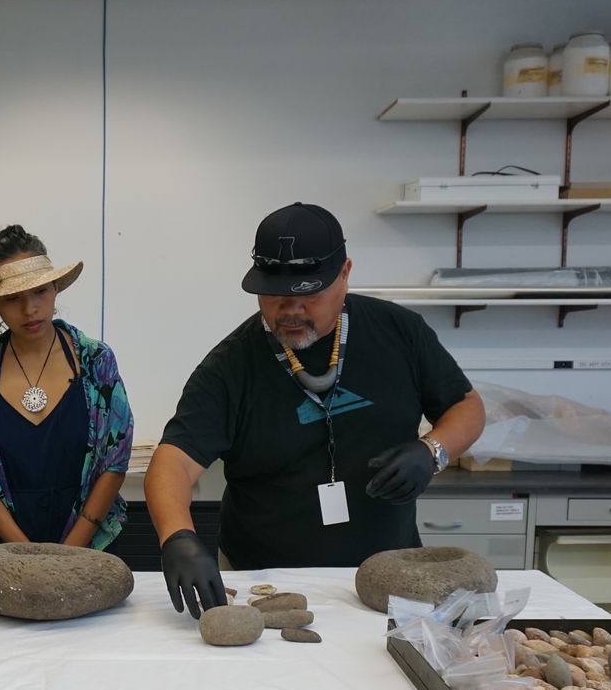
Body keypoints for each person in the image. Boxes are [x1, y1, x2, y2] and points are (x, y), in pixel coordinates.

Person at [145, 202, 485, 616]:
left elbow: (465, 406)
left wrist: (432, 450)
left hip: (388, 572)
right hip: (264, 579)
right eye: (274, 294)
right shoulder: (231, 366)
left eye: (308, 293)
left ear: (344, 274)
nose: (290, 309)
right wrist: (177, 537)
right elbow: (174, 461)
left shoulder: (400, 333)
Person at [0, 225, 134, 549]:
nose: (29, 309)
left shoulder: (94, 360)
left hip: (91, 545)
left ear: (55, 289)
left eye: (39, 292)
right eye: (12, 298)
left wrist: (71, 550)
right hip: (5, 550)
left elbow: (114, 460)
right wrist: (26, 553)